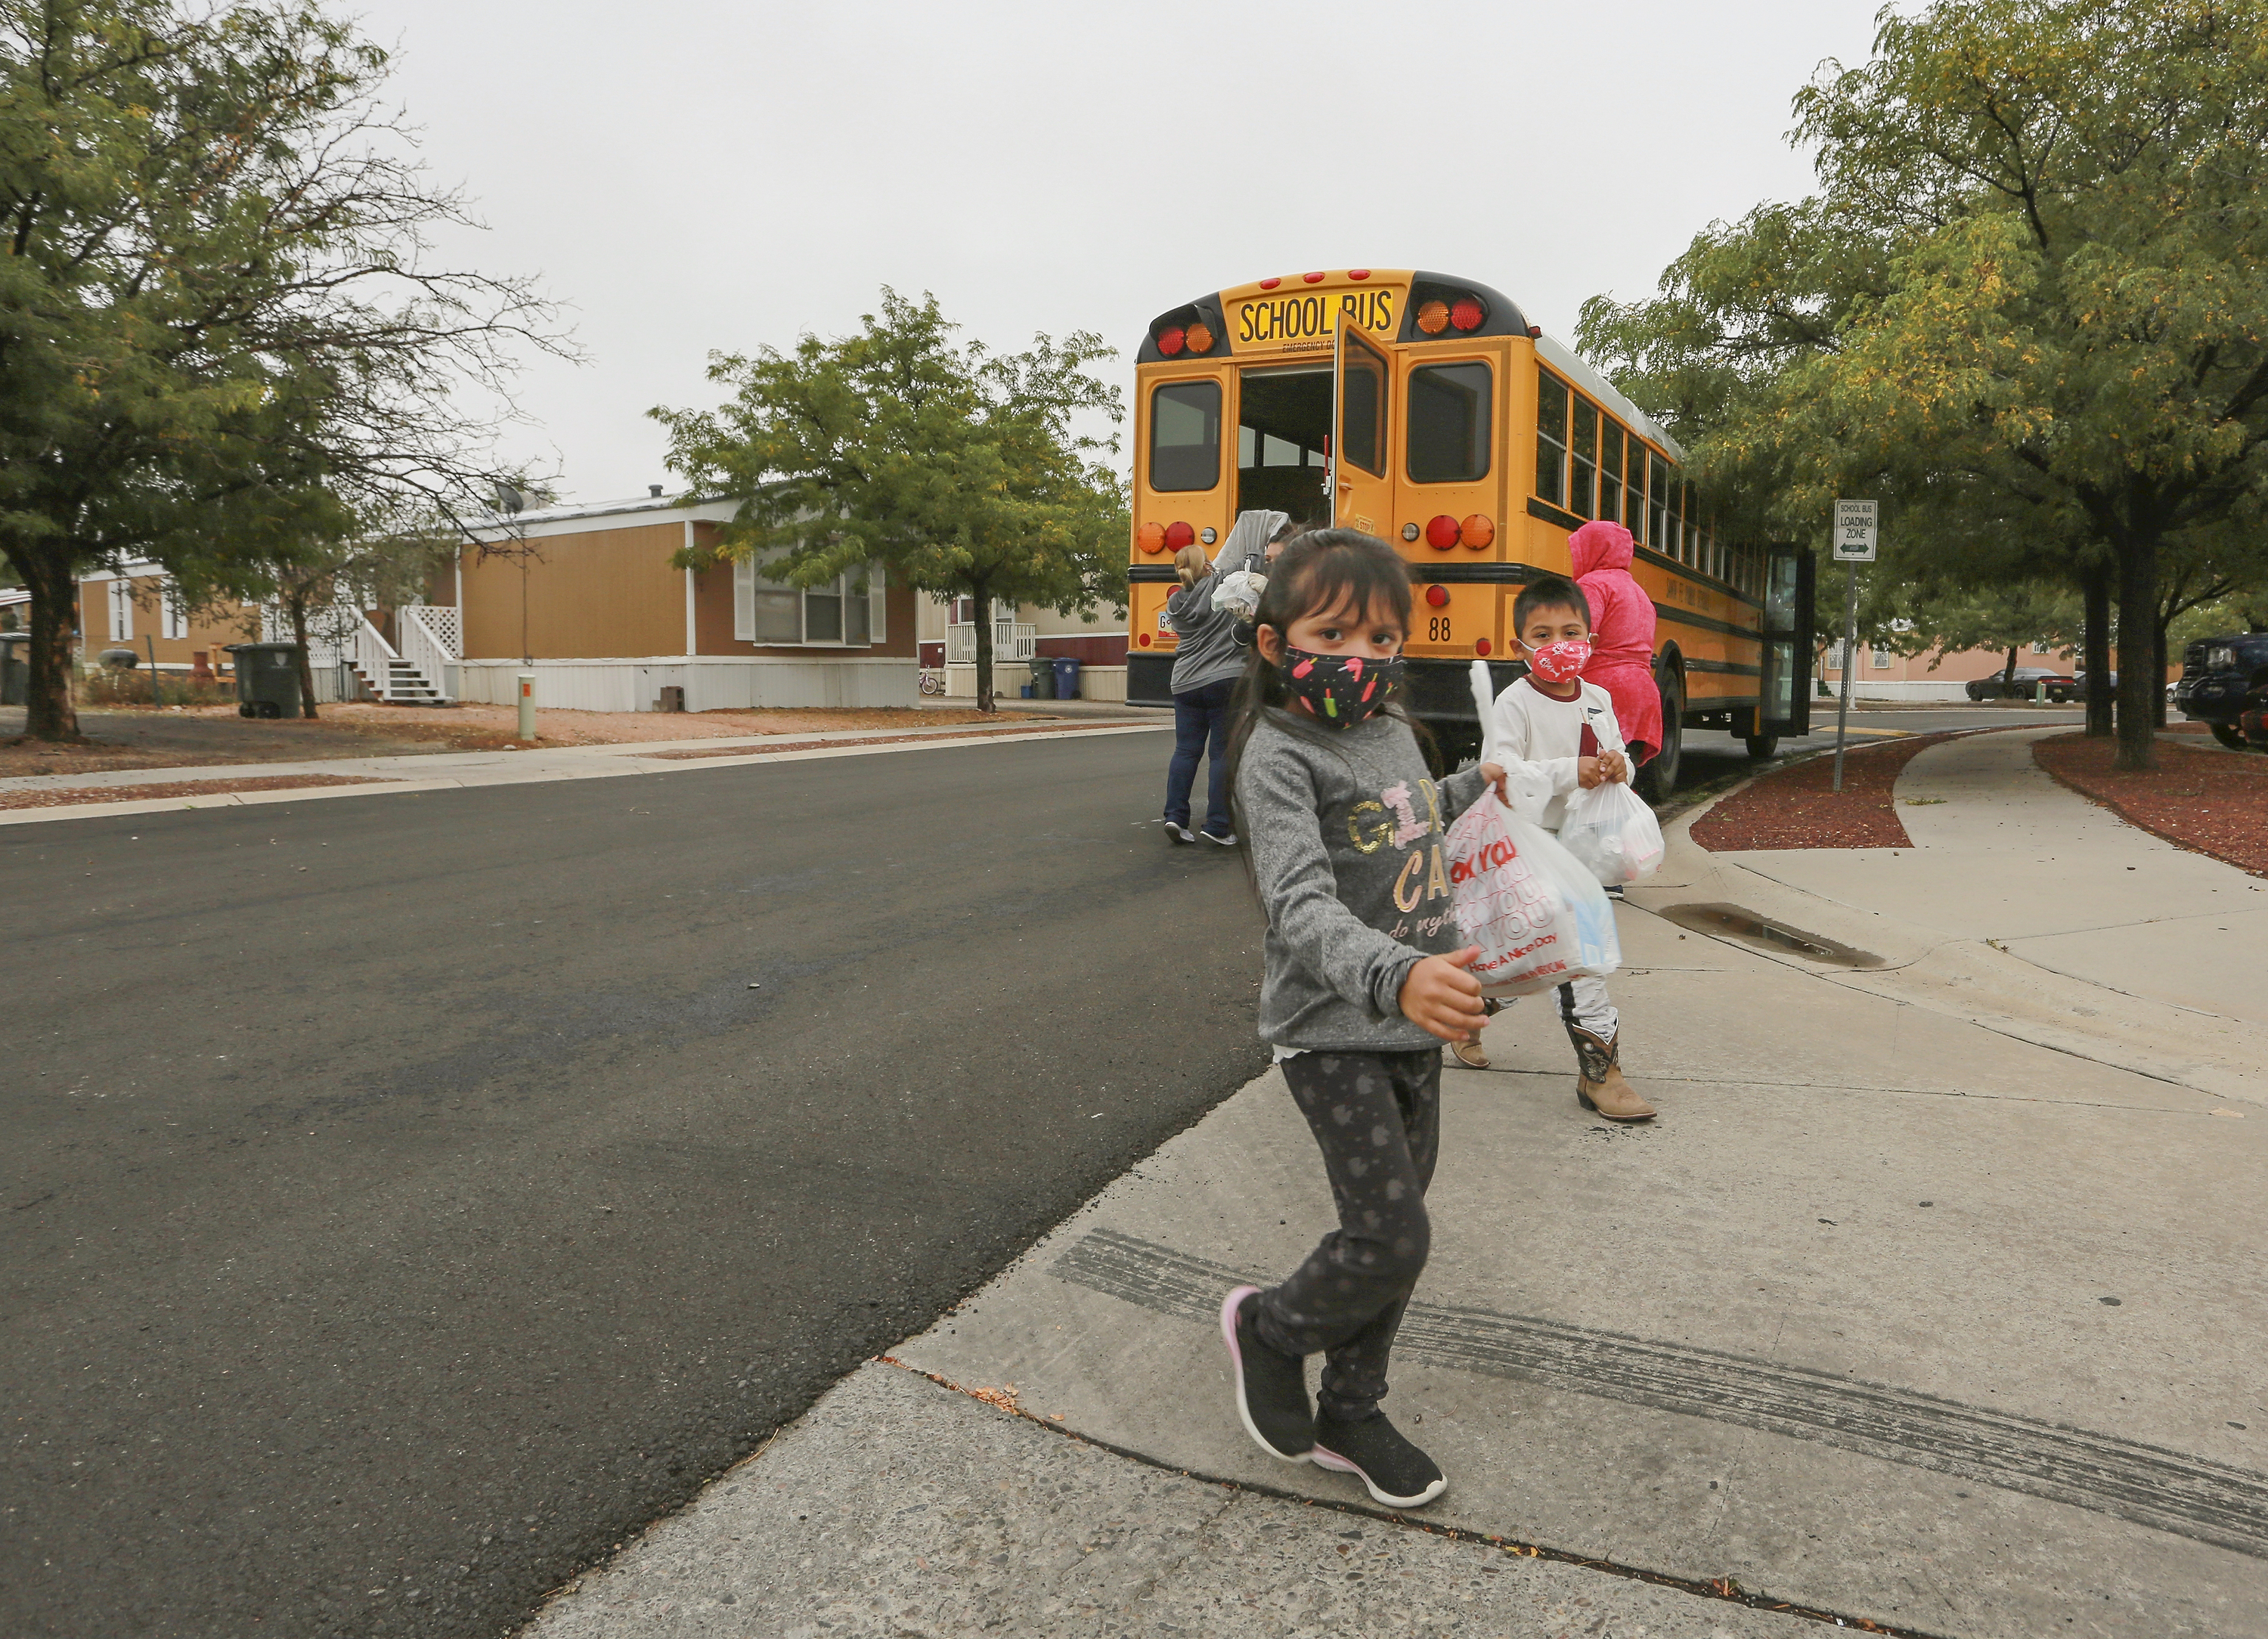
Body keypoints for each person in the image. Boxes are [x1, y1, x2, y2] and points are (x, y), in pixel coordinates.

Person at [1217, 528, 1511, 1511]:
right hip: (1335, 1024)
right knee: (1387, 1236)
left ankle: (1351, 1408)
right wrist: (1399, 978)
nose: (1362, 660)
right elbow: (1300, 909)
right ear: (1275, 645)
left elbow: (1411, 815)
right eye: (1334, 634)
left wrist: (1478, 791)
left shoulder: (1388, 729)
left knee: (1401, 1232)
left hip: (1411, 1024)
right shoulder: (1279, 754)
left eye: (1383, 640)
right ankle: (1270, 1330)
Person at [1465, 573, 1656, 1120]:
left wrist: (1623, 766)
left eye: (1570, 632)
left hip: (1585, 849)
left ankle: (1473, 1007)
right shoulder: (1514, 703)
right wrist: (1571, 771)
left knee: (1544, 955)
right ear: (1518, 645)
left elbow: (1618, 758)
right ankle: (1602, 1074)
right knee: (1582, 960)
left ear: (1591, 639)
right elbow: (1503, 774)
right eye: (1541, 634)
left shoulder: (1598, 698)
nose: (1557, 646)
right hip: (1531, 847)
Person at [1160, 510, 1289, 844]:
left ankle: (1175, 817)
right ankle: (1217, 826)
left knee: (1185, 751)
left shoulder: (1175, 603)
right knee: (1221, 753)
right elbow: (1248, 558)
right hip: (1224, 680)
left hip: (1184, 683)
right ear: (1207, 566)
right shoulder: (1223, 585)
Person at [1566, 519, 1660, 770]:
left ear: (1594, 549)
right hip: (1644, 693)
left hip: (1605, 691)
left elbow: (1579, 639)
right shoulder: (1639, 592)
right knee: (1623, 773)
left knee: (1595, 776)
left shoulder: (1592, 585)